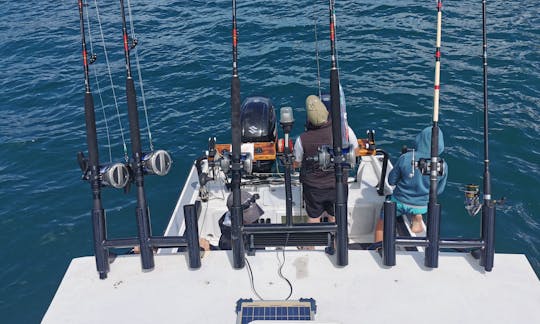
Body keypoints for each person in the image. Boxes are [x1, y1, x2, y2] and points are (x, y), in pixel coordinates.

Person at [374, 126, 448, 243]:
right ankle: (417, 217)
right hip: (422, 206)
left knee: (382, 223)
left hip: (399, 202)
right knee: (416, 207)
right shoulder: (443, 165)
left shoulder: (406, 157)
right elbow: (438, 191)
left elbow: (391, 180)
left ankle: (377, 247)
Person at [293, 95, 358, 224]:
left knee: (313, 217)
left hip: (313, 187)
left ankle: (310, 244)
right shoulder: (344, 130)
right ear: (327, 113)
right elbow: (355, 151)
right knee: (335, 217)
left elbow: (296, 163)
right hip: (337, 184)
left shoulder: (302, 139)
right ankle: (336, 243)